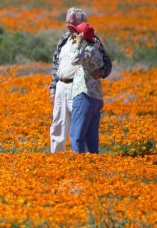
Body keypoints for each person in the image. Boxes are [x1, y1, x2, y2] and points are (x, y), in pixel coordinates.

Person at [49, 8, 111, 153]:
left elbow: (107, 64)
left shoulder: (92, 40)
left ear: (81, 23)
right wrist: (53, 88)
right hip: (61, 86)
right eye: (66, 22)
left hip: (78, 87)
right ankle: (55, 160)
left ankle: (81, 162)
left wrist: (101, 72)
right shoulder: (64, 39)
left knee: (79, 128)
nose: (68, 25)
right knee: (58, 125)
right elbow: (55, 64)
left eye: (71, 23)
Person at [69, 22, 103, 154]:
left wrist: (77, 44)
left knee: (76, 135)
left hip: (85, 95)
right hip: (95, 97)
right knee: (91, 136)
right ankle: (93, 165)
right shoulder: (95, 47)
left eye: (77, 33)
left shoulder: (89, 50)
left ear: (82, 35)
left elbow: (74, 60)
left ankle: (79, 168)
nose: (74, 35)